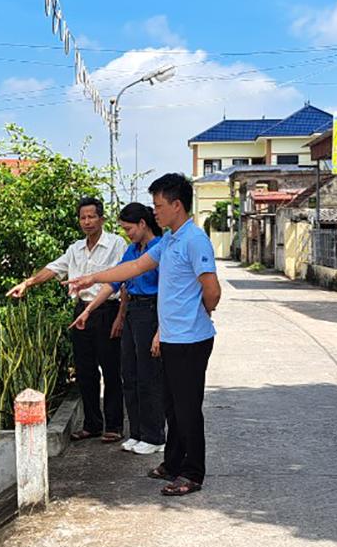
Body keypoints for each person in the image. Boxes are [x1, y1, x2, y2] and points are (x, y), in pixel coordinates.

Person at [65, 174, 221, 497]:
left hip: (191, 339)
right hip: (172, 339)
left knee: (188, 407)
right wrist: (91, 277)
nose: (155, 212)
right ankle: (173, 462)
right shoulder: (169, 241)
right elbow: (134, 268)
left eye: (159, 206)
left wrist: (198, 313)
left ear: (177, 205)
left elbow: (213, 292)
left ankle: (192, 472)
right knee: (172, 405)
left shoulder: (194, 240)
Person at [7, 196, 126, 443]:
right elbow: (53, 269)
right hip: (80, 312)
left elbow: (123, 279)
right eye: (83, 217)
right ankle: (92, 424)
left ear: (101, 218)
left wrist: (121, 316)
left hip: (107, 311)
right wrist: (27, 283)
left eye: (92, 216)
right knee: (85, 371)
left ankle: (113, 425)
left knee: (111, 369)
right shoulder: (75, 249)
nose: (87, 222)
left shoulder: (116, 244)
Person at [71, 202, 165, 456]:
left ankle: (154, 435)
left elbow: (167, 290)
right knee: (130, 376)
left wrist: (161, 328)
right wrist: (88, 311)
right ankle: (137, 433)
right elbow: (115, 281)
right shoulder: (134, 250)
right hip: (134, 311)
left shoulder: (159, 249)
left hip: (151, 311)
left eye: (129, 228)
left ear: (143, 224)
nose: (127, 234)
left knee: (149, 377)